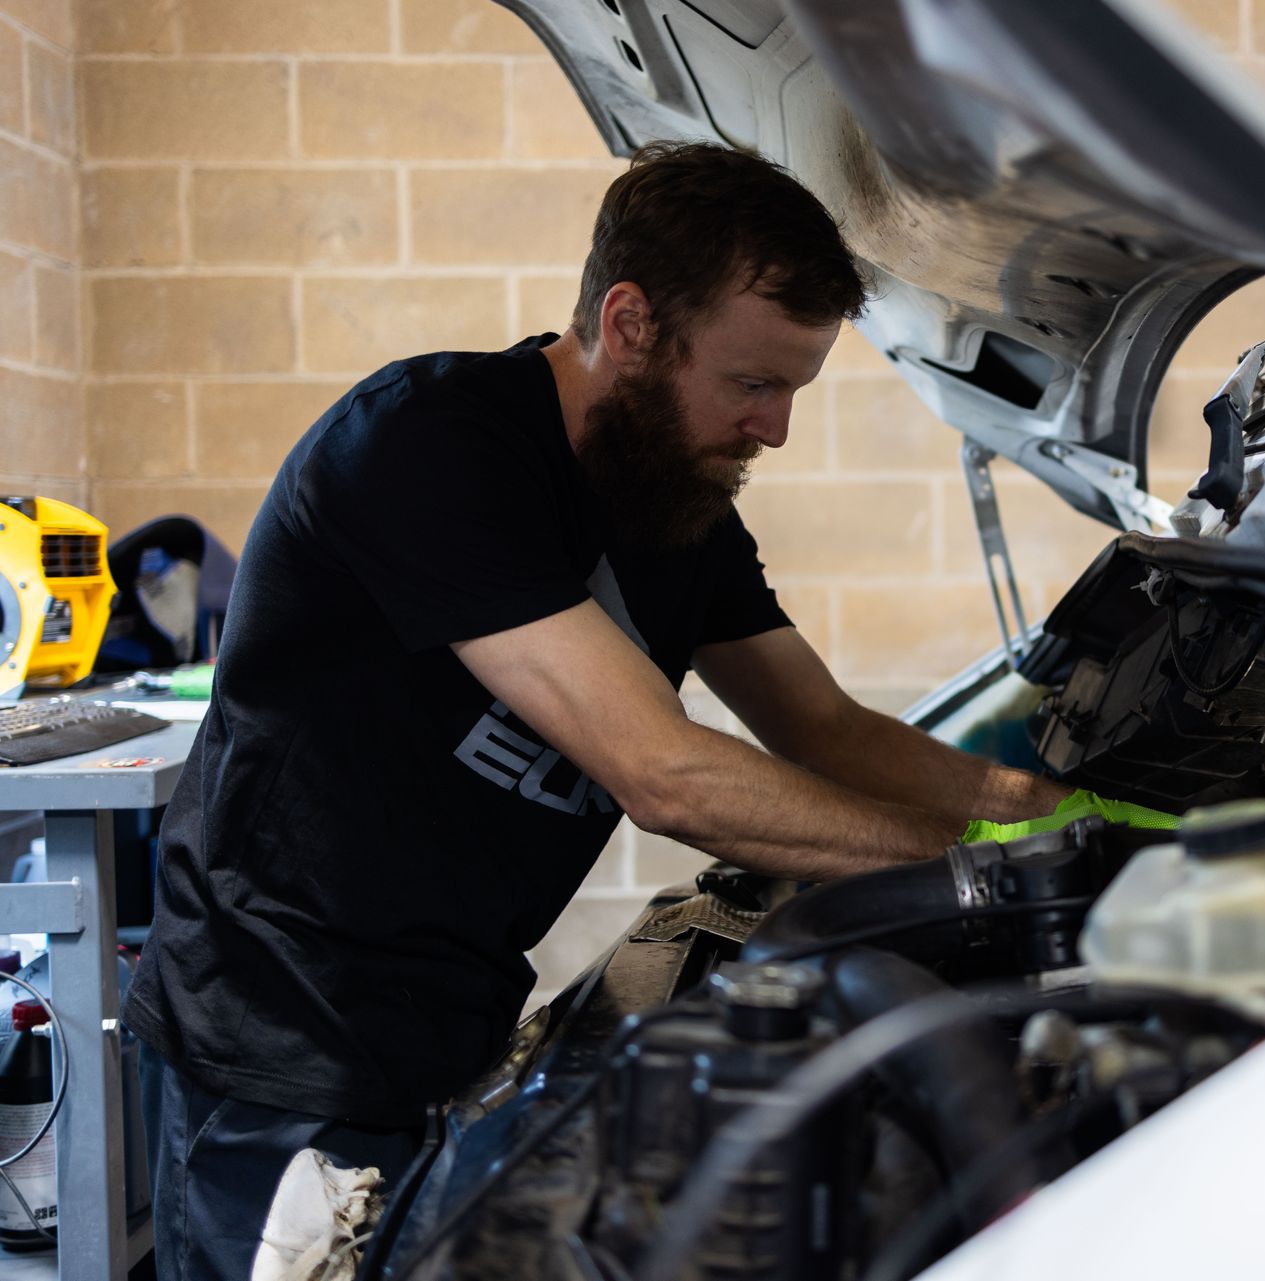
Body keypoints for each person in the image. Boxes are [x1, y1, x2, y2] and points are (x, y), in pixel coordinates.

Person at [123, 140, 1071, 1280]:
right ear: (629, 324)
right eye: (752, 383)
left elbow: (829, 731)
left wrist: (1064, 814)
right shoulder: (429, 448)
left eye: (793, 390)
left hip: (447, 1031)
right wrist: (990, 867)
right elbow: (663, 775)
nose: (774, 429)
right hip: (279, 1050)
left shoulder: (675, 505)